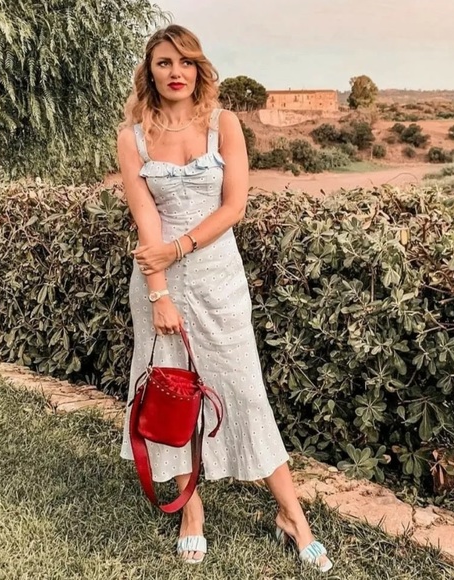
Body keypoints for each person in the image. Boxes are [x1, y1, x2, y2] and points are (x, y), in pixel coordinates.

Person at [117, 24, 333, 573]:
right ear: (149, 72)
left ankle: (292, 515)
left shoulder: (224, 124)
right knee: (171, 393)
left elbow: (234, 206)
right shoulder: (132, 137)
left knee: (245, 390)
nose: (176, 72)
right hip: (159, 285)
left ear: (199, 69)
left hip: (219, 280)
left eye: (185, 62)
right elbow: (146, 220)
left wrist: (179, 248)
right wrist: (159, 293)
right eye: (164, 63)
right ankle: (191, 512)